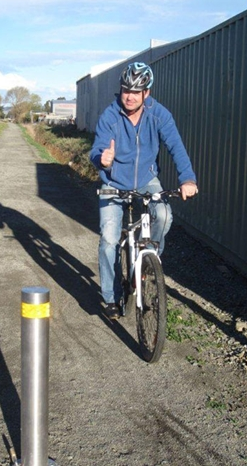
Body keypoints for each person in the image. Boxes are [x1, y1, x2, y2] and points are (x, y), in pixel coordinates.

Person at [90, 61, 198, 320]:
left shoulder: (159, 114)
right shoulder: (110, 115)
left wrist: (188, 179)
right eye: (126, 90)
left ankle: (149, 261)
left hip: (147, 179)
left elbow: (176, 147)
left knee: (164, 215)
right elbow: (97, 150)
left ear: (146, 93)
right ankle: (110, 297)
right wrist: (101, 159)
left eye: (136, 92)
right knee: (108, 240)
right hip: (113, 183)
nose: (129, 96)